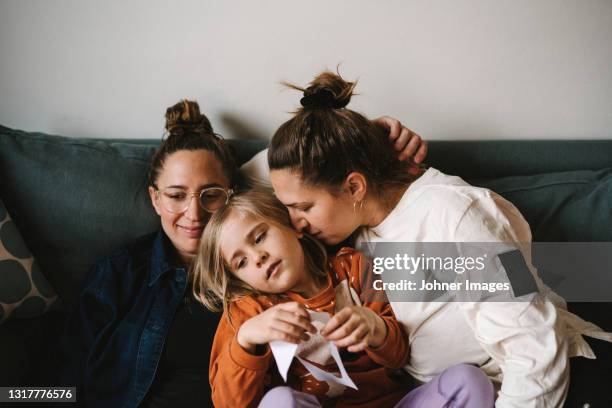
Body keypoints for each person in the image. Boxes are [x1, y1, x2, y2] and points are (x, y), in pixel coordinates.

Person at [264, 71, 612, 407]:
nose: (296, 224)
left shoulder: (455, 214)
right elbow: (245, 185)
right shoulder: (358, 229)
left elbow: (534, 339)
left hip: (546, 384)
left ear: (354, 186)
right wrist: (370, 134)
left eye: (304, 207)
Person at [59, 99, 428, 408]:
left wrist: (363, 139)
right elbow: (58, 379)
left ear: (234, 192)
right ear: (155, 198)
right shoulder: (119, 274)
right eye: (175, 195)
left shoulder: (298, 254)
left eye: (211, 194)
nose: (194, 213)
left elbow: (319, 174)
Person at [192, 188, 495, 407]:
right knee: (279, 402)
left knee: (469, 380)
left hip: (394, 403)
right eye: (241, 262)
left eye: (259, 237)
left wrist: (375, 328)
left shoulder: (355, 267)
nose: (257, 257)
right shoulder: (249, 312)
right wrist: (247, 340)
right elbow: (229, 404)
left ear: (292, 227)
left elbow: (399, 355)